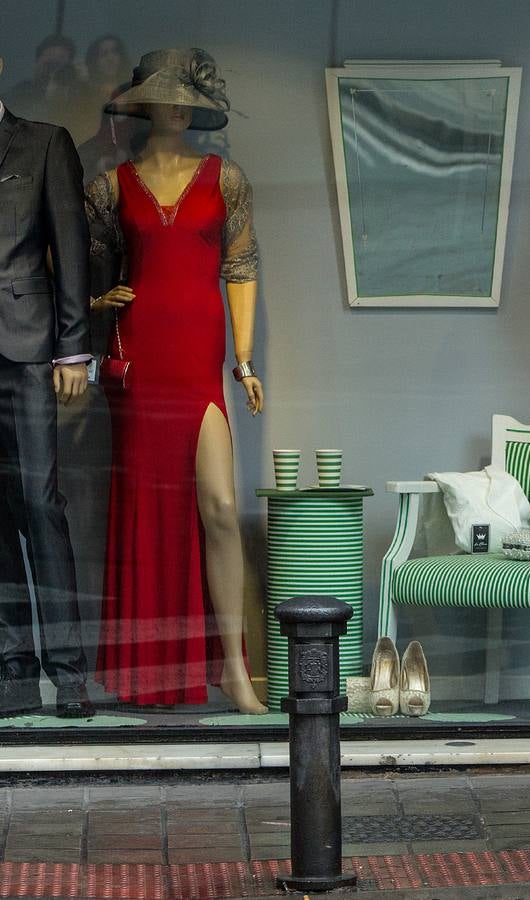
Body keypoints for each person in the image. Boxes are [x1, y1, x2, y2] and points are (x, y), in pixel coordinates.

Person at [85, 49, 267, 713]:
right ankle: (149, 673)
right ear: (147, 104)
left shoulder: (225, 178)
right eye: (169, 95)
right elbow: (86, 268)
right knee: (146, 513)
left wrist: (244, 362)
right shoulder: (110, 187)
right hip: (141, 362)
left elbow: (241, 268)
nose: (180, 105)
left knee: (220, 508)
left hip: (199, 360)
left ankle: (232, 670)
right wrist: (98, 309)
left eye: (189, 95)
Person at [0, 56, 97, 719]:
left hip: (29, 345)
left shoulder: (43, 142)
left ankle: (68, 676)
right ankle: (12, 673)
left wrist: (73, 346)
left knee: (41, 504)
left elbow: (72, 245)